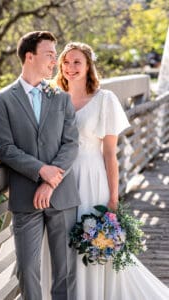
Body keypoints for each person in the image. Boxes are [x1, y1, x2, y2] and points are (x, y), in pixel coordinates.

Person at [54, 42, 169, 300]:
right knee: (62, 241)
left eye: (77, 62)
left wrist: (113, 197)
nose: (71, 67)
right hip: (61, 179)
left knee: (93, 238)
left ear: (88, 67)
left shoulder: (104, 99)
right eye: (66, 62)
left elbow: (109, 153)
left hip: (92, 178)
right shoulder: (55, 99)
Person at [0, 31, 80, 300]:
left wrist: (50, 181)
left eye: (55, 55)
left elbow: (71, 144)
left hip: (62, 194)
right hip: (24, 196)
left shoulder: (61, 97)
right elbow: (4, 147)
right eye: (50, 55)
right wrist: (41, 171)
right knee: (27, 269)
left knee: (65, 270)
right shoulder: (4, 99)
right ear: (29, 57)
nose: (55, 61)